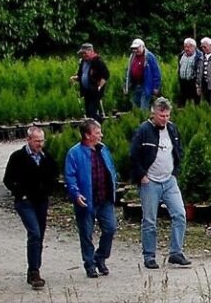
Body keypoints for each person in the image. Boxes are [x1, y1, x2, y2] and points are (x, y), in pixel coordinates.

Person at [128, 97, 190, 269]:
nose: (165, 119)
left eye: (167, 115)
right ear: (153, 114)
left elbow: (179, 151)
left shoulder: (172, 129)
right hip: (150, 182)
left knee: (180, 214)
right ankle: (149, 255)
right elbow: (133, 155)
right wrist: (142, 176)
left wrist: (175, 173)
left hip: (169, 180)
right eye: (161, 116)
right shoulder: (143, 130)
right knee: (150, 220)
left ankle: (176, 252)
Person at [3, 125, 60, 288]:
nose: (40, 144)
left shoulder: (46, 157)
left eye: (42, 141)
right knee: (34, 233)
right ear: (28, 140)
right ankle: (34, 271)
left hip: (41, 201)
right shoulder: (18, 157)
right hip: (25, 202)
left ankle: (34, 268)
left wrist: (48, 190)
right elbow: (7, 179)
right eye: (36, 141)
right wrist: (19, 193)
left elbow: (54, 176)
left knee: (39, 234)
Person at [64, 119, 118, 279]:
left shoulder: (103, 150)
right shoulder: (74, 153)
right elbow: (70, 176)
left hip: (104, 199)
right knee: (86, 234)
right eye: (97, 132)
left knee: (110, 228)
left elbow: (111, 169)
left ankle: (100, 257)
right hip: (87, 200)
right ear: (87, 135)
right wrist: (76, 193)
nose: (101, 134)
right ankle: (89, 264)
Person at [70, 43, 110, 122]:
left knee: (92, 111)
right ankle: (100, 122)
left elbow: (106, 75)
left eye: (85, 53)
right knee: (88, 112)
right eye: (82, 53)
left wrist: (100, 86)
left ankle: (97, 125)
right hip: (86, 91)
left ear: (91, 51)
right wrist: (75, 78)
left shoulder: (98, 61)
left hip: (95, 90)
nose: (83, 55)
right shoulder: (83, 62)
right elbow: (81, 74)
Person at [124, 38, 162, 111]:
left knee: (143, 108)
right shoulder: (132, 57)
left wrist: (156, 87)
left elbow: (156, 72)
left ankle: (143, 120)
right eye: (133, 48)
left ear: (143, 47)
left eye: (137, 48)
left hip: (146, 86)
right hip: (135, 86)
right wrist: (126, 85)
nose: (135, 50)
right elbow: (127, 71)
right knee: (135, 107)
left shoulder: (149, 56)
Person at [175, 38, 201, 108]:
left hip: (193, 82)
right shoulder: (181, 55)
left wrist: (199, 84)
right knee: (181, 101)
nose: (186, 48)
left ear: (194, 47)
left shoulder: (199, 56)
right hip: (183, 82)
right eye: (185, 46)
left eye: (188, 47)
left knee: (196, 102)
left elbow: (200, 71)